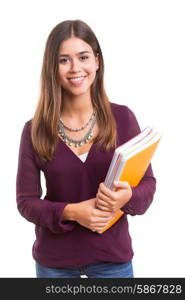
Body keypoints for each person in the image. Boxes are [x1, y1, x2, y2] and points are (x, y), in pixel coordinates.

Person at [16, 19, 156, 278]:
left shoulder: (123, 119)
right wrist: (71, 212)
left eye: (83, 57)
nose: (75, 68)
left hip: (112, 260)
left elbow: (147, 185)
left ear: (97, 61)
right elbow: (26, 202)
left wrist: (127, 198)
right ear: (52, 67)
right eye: (63, 60)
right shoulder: (34, 129)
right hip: (54, 263)